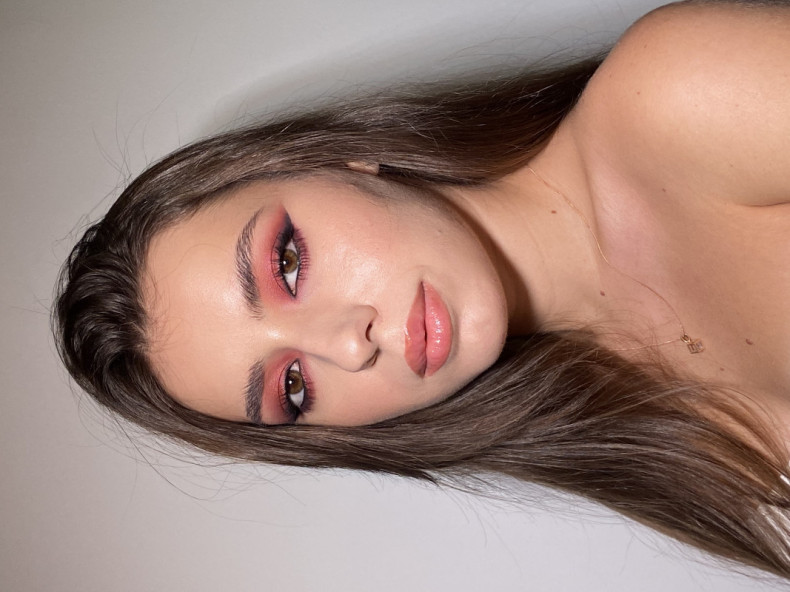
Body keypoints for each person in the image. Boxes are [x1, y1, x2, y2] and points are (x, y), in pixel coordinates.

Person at [53, 0, 790, 579]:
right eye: (293, 388)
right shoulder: (668, 452)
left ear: (338, 159)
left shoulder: (677, 96)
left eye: (287, 263)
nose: (348, 345)